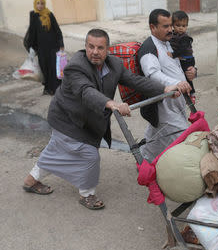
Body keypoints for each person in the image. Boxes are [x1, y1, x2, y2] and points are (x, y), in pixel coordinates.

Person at [22, 29, 180, 210]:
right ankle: (86, 194)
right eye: (90, 47)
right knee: (89, 156)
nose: (95, 52)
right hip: (68, 119)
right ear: (85, 47)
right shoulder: (76, 66)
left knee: (56, 150)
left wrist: (165, 89)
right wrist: (112, 103)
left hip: (88, 119)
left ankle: (30, 181)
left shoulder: (114, 64)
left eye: (100, 48)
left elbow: (135, 81)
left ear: (107, 50)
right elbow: (86, 91)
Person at [137, 9, 196, 162]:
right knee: (183, 137)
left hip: (177, 101)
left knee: (158, 136)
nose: (170, 29)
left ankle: (144, 160)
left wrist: (192, 71)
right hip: (162, 105)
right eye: (165, 26)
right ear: (152, 27)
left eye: (170, 25)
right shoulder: (148, 48)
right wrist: (177, 83)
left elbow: (180, 64)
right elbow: (153, 74)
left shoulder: (169, 43)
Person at [25, 0, 64, 95]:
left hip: (53, 46)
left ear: (44, 4)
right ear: (35, 4)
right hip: (41, 47)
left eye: (42, 3)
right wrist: (30, 46)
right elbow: (32, 31)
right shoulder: (33, 15)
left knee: (53, 67)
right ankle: (47, 88)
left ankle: (55, 89)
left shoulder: (49, 14)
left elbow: (57, 30)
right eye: (38, 3)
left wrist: (61, 44)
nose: (40, 6)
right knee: (44, 68)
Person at [168, 10, 197, 100]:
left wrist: (173, 55)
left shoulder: (185, 37)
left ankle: (191, 93)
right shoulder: (173, 34)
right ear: (172, 25)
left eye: (184, 26)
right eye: (178, 25)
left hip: (187, 60)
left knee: (187, 76)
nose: (181, 28)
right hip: (183, 58)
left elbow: (182, 50)